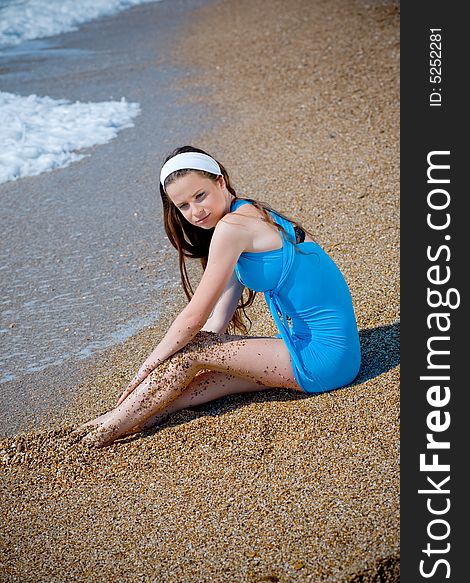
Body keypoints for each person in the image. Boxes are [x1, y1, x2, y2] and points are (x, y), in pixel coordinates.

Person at [76, 146, 361, 447]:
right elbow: (216, 323)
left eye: (200, 196)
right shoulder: (247, 210)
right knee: (184, 392)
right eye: (183, 206)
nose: (195, 211)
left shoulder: (231, 228)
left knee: (194, 352)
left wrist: (147, 368)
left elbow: (193, 318)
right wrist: (177, 366)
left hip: (322, 359)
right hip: (335, 354)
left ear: (221, 182)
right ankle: (116, 418)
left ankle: (101, 436)